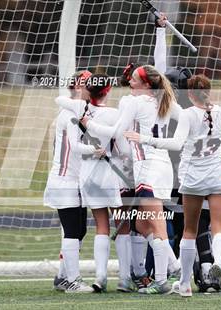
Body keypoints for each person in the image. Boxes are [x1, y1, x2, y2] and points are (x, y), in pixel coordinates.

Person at [124, 74, 221, 296]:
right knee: (218, 227)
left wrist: (146, 139)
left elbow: (176, 143)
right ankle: (218, 263)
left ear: (189, 94)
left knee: (189, 230)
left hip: (193, 177)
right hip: (219, 174)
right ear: (210, 92)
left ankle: (185, 284)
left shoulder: (187, 114)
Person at [78, 65, 181, 295]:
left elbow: (115, 133)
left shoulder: (134, 102)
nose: (129, 81)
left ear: (146, 85)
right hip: (162, 168)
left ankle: (163, 281)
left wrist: (88, 124)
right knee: (143, 224)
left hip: (149, 168)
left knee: (156, 224)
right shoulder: (163, 100)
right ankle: (176, 267)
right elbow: (186, 118)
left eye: (134, 79)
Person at [56, 74, 132, 293]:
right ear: (107, 91)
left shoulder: (79, 111)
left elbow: (61, 101)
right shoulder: (113, 114)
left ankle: (101, 277)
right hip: (111, 174)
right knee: (122, 225)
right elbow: (124, 149)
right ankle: (125, 279)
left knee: (101, 226)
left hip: (88, 175)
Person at [43, 70, 93, 293]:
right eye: (85, 83)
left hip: (74, 181)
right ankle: (72, 280)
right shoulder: (70, 113)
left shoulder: (81, 110)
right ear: (76, 87)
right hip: (65, 181)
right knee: (73, 230)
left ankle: (63, 276)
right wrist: (96, 150)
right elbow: (74, 146)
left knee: (80, 230)